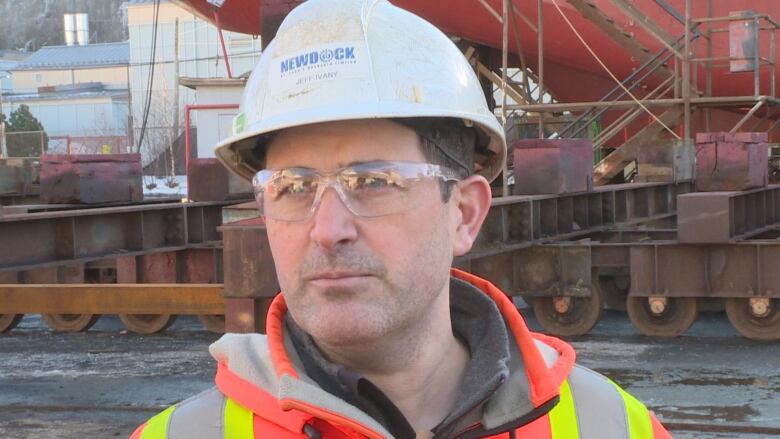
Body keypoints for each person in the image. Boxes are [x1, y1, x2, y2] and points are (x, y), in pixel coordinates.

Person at [132, 0, 671, 437]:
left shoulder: (611, 427)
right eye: (294, 188)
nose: (327, 229)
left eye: (373, 182)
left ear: (463, 213)